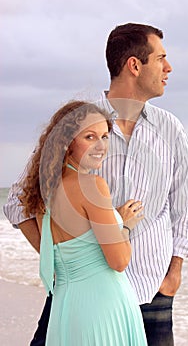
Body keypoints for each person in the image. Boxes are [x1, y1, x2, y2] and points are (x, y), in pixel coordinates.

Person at [3, 23, 188, 346]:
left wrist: (173, 275)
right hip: (84, 294)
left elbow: (180, 207)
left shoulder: (171, 130)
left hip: (153, 291)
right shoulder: (79, 123)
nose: (169, 67)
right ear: (134, 65)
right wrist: (63, 260)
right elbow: (18, 200)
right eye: (161, 58)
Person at [18, 100, 148, 345]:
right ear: (67, 143)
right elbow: (119, 261)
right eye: (90, 137)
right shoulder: (92, 185)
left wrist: (111, 217)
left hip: (65, 308)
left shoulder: (42, 193)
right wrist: (126, 225)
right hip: (103, 306)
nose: (101, 146)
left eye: (105, 136)